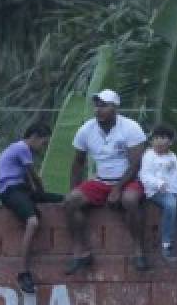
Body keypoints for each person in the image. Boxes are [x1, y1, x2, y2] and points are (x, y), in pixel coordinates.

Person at [63, 89, 149, 274]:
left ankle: (138, 250)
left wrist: (117, 188)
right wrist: (74, 189)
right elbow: (78, 162)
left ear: (115, 108)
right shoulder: (86, 129)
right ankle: (81, 252)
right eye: (97, 105)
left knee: (130, 200)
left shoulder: (130, 127)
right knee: (70, 202)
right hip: (101, 181)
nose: (98, 110)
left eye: (104, 106)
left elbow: (136, 163)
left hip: (128, 179)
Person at [0, 124, 61, 293]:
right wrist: (41, 194)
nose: (43, 148)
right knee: (32, 222)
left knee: (62, 199)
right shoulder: (22, 148)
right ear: (34, 137)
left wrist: (42, 196)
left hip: (20, 189)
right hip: (10, 190)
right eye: (43, 143)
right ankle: (23, 271)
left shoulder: (18, 151)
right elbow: (35, 177)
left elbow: (27, 182)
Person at [138, 124, 177, 262]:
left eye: (163, 138)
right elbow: (144, 175)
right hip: (154, 192)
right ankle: (167, 244)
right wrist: (158, 184)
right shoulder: (148, 156)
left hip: (171, 191)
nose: (159, 141)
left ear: (170, 142)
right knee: (171, 205)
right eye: (156, 138)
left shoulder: (173, 157)